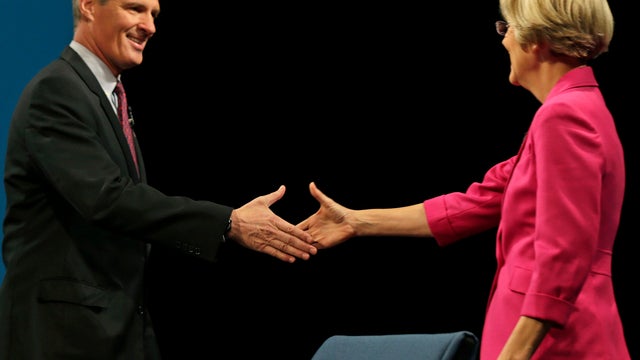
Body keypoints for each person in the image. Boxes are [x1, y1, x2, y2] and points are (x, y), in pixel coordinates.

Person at [298, 0, 630, 358]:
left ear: (537, 39)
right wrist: (356, 221)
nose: (504, 41)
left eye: (509, 28)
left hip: (557, 345)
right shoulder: (575, 108)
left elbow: (564, 254)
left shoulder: (563, 117)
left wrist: (513, 355)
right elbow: (477, 202)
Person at [0, 0, 317, 358]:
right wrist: (228, 222)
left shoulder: (107, 96)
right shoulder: (56, 90)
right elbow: (109, 199)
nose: (149, 26)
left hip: (119, 329)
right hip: (61, 335)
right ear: (89, 6)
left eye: (154, 14)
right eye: (134, 8)